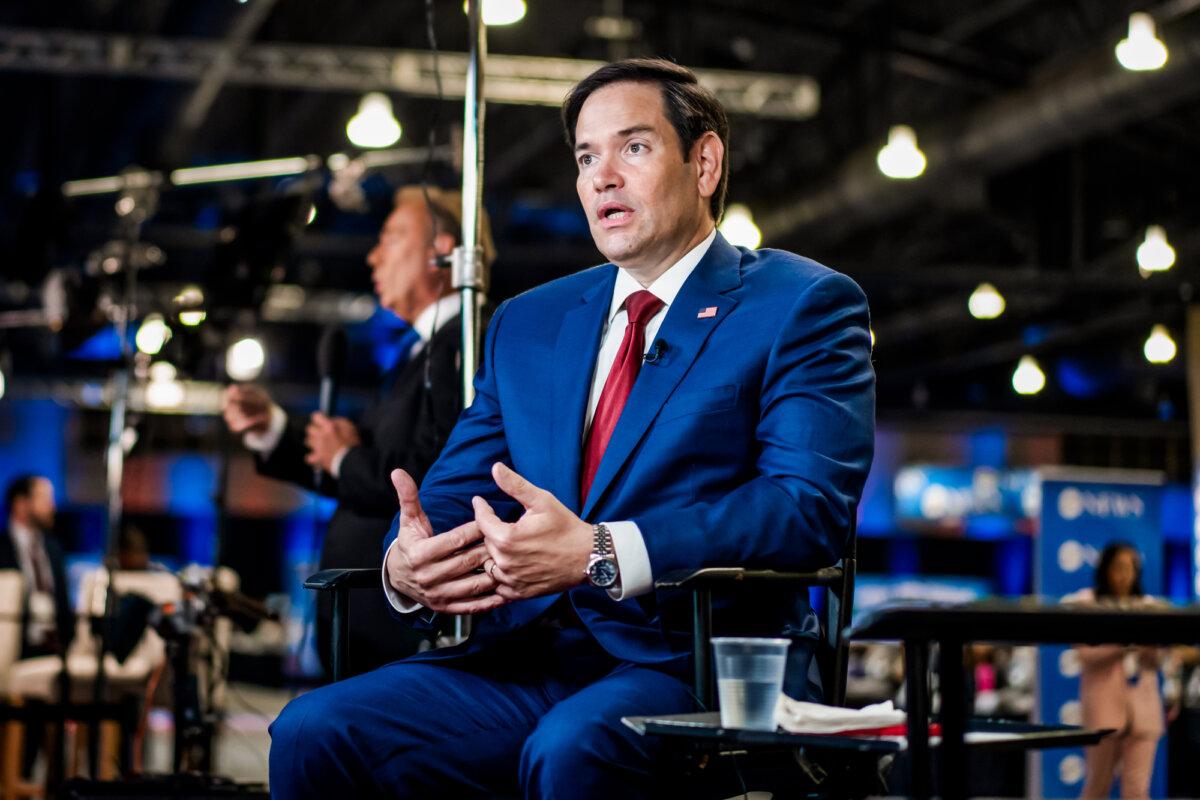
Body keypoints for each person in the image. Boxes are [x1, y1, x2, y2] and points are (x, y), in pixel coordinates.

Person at [269, 57, 875, 799]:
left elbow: (804, 508)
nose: (601, 177)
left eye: (635, 147)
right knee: (313, 728)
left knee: (572, 750)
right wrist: (407, 565)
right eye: (587, 156)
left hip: (691, 661)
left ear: (706, 162)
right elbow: (453, 498)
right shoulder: (529, 322)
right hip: (524, 656)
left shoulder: (802, 303)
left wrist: (600, 551)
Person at [222, 186, 496, 673]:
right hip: (368, 618)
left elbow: (428, 479)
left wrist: (346, 458)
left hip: (398, 626)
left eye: (390, 238)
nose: (372, 255)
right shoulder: (418, 354)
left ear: (441, 251)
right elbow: (363, 464)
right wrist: (276, 430)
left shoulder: (466, 346)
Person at [1069, 543, 1164, 799]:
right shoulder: (1086, 602)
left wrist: (1150, 647)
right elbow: (1085, 653)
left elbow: (1157, 660)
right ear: (1106, 569)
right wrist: (1123, 643)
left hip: (1143, 710)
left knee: (1137, 790)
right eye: (1119, 567)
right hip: (1104, 710)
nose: (1125, 574)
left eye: (1132, 567)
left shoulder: (1149, 606)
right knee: (1097, 787)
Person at [1, 474, 73, 660]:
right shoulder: (2, 547)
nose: (53, 507)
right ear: (21, 504)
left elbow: (64, 606)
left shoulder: (54, 549)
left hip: (55, 648)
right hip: (16, 648)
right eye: (45, 499)